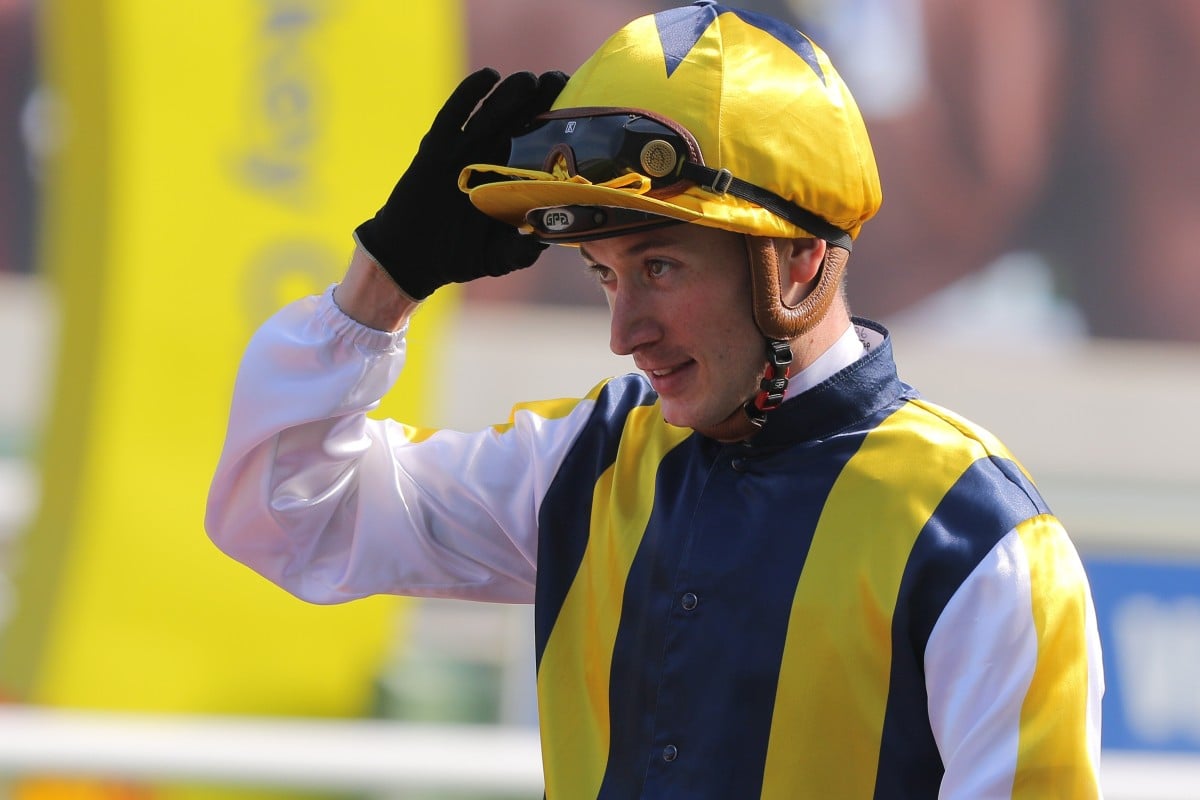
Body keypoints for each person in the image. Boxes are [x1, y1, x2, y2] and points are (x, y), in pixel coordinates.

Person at [206, 2, 1104, 796]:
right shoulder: (583, 463)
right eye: (606, 276)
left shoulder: (985, 543)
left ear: (795, 262)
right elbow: (286, 514)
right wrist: (383, 280)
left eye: (660, 269)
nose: (624, 331)